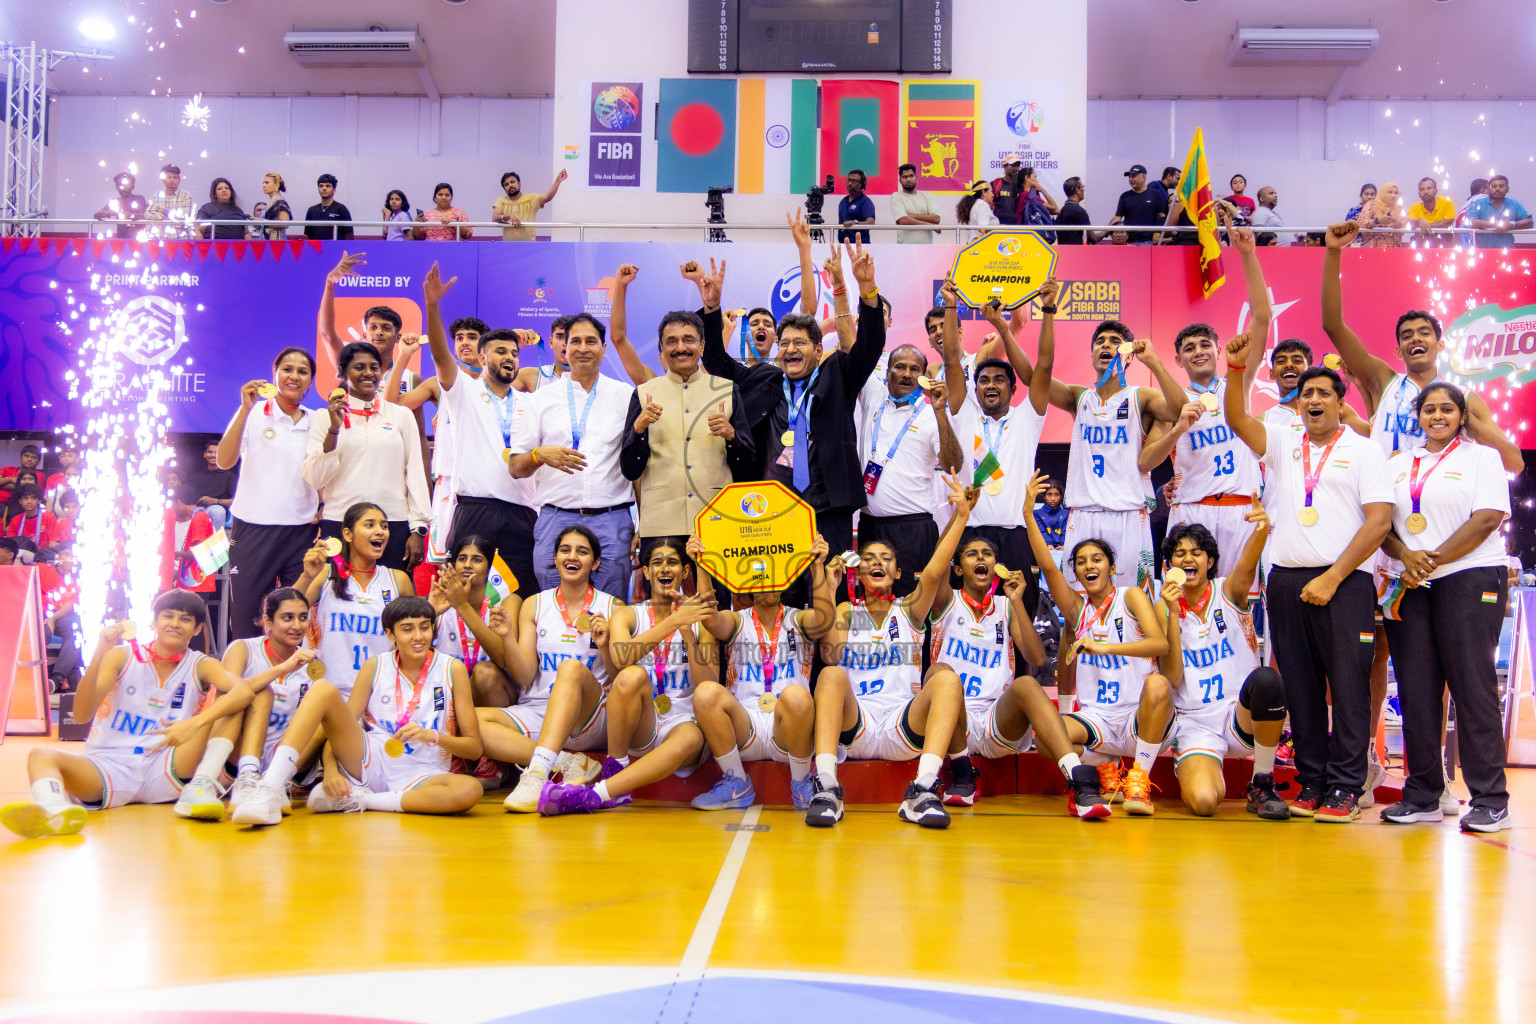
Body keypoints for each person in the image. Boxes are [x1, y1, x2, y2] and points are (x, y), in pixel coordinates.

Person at [1222, 345, 1393, 823]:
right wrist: (1237, 368)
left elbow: (1379, 523)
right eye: (1306, 394)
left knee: (1349, 687)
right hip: (1286, 582)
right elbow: (1237, 417)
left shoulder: (1365, 449)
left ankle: (1345, 786)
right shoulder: (1282, 441)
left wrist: (1334, 577)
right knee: (1301, 690)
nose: (1313, 399)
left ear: (1340, 402)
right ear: (1298, 406)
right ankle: (1313, 781)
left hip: (1346, 582)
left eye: (1323, 392)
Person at [0, 590, 307, 838]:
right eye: (168, 616)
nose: (175, 623)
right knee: (40, 756)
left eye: (185, 619)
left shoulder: (201, 663)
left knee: (233, 698)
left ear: (198, 628)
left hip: (169, 766)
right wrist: (100, 649)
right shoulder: (121, 655)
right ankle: (53, 810)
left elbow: (242, 691)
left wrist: (194, 723)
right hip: (109, 766)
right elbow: (81, 715)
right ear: (153, 623)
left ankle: (199, 786)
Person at [803, 475, 977, 830]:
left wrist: (960, 518)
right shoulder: (846, 611)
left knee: (946, 680)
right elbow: (830, 655)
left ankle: (923, 789)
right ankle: (827, 787)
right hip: (858, 724)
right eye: (868, 558)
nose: (877, 562)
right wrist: (826, 581)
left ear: (897, 572)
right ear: (858, 570)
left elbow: (933, 571)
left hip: (903, 724)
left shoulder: (909, 609)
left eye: (885, 558)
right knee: (831, 674)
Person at [1378, 383, 1512, 833]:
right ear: (1418, 415)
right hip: (1411, 584)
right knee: (1415, 691)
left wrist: (1429, 560)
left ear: (1461, 415)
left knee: (1472, 688)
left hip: (1469, 577)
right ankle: (1423, 795)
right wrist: (1405, 557)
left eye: (1447, 409)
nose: (1438, 416)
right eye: (1429, 409)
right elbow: (1380, 524)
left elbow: (1487, 519)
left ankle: (1491, 800)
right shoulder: (1397, 464)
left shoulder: (1482, 458)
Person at [701, 244, 885, 558]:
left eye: (799, 342)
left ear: (817, 347)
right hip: (772, 510)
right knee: (781, 599)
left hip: (828, 510)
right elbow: (717, 362)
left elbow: (869, 346)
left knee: (829, 593)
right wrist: (712, 308)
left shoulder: (839, 375)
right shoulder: (762, 378)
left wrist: (867, 289)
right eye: (784, 343)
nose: (789, 349)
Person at [231, 595, 484, 825]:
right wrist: (329, 772)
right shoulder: (376, 665)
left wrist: (433, 736)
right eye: (407, 629)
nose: (418, 636)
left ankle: (360, 800)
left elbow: (474, 749)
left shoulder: (452, 669)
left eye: (425, 627)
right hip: (370, 759)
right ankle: (270, 789)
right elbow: (338, 728)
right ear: (391, 634)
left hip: (423, 773)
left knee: (470, 790)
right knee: (322, 690)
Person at [929, 523, 1110, 816]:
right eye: (972, 554)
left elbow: (1038, 658)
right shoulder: (945, 600)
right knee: (940, 674)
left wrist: (1017, 601)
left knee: (1027, 684)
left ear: (995, 566)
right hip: (950, 722)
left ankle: (1078, 780)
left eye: (987, 554)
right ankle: (963, 773)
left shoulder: (1005, 606)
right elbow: (935, 570)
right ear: (959, 569)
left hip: (995, 719)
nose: (981, 559)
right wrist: (959, 516)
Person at [535, 538, 724, 816]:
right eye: (656, 563)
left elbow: (709, 684)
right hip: (641, 723)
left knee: (691, 739)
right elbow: (622, 659)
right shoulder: (627, 614)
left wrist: (687, 633)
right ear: (646, 573)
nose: (664, 569)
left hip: (683, 721)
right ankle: (616, 764)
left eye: (672, 562)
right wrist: (673, 621)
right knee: (630, 676)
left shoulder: (701, 618)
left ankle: (602, 792)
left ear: (685, 572)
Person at [1024, 472, 1173, 814]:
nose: (1088, 565)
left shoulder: (1132, 597)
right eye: (1080, 562)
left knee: (1159, 685)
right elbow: (1048, 566)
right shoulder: (1077, 610)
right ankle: (1105, 766)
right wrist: (1026, 514)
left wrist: (1105, 648)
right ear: (1075, 573)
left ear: (1111, 567)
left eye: (1096, 559)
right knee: (1046, 736)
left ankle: (1138, 781)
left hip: (1138, 717)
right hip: (1098, 720)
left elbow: (1159, 646)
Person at [1137, 226, 1273, 593]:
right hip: (1191, 510)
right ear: (1178, 359)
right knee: (1182, 604)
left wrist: (1248, 255)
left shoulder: (1238, 385)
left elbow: (1262, 319)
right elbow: (1145, 462)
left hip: (1240, 508)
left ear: (1217, 350)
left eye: (1204, 344)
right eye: (1189, 347)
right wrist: (1178, 428)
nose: (1198, 351)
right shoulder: (1170, 402)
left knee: (1240, 604)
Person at [685, 534, 836, 811]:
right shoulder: (736, 620)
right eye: (760, 576)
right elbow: (709, 618)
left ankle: (802, 783)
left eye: (773, 576)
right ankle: (736, 783)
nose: (767, 582)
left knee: (797, 695)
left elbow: (824, 621)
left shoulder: (798, 618)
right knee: (706, 692)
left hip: (789, 732)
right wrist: (702, 565)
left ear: (784, 584)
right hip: (745, 728)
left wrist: (817, 566)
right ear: (749, 587)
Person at [418, 264, 542, 599]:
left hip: (522, 511)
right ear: (482, 357)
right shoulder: (462, 391)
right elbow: (441, 355)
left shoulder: (532, 402)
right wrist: (432, 306)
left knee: (520, 595)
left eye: (514, 353)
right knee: (467, 595)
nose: (510, 358)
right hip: (475, 508)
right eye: (501, 351)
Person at [1157, 513, 1292, 820]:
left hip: (1238, 713)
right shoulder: (1162, 607)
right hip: (1194, 724)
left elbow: (1246, 564)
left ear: (1210, 560)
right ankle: (1204, 768)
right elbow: (1174, 677)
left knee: (1268, 680)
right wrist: (1173, 614)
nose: (1187, 558)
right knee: (1205, 803)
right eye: (1179, 554)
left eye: (1196, 553)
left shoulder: (1228, 591)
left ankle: (1262, 783)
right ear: (1170, 566)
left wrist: (1261, 530)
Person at [479, 525, 623, 810]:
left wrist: (605, 645)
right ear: (556, 558)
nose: (572, 556)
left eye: (582, 552)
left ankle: (537, 773)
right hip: (538, 711)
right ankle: (567, 762)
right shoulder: (535, 604)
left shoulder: (613, 607)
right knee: (469, 721)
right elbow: (524, 676)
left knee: (570, 669)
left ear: (594, 563)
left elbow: (621, 678)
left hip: (588, 718)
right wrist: (507, 636)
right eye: (565, 550)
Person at [620, 272, 757, 565]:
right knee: (664, 605)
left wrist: (732, 436)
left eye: (688, 340)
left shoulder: (726, 389)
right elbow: (630, 469)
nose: (680, 347)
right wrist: (640, 429)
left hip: (715, 520)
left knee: (716, 606)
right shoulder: (644, 394)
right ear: (662, 349)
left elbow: (748, 464)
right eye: (671, 341)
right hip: (660, 524)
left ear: (703, 346)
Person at [945, 284, 1058, 617]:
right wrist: (952, 307)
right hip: (969, 535)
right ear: (974, 388)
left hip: (1016, 537)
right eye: (983, 380)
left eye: (999, 379)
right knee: (964, 619)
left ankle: (1021, 670)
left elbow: (1046, 366)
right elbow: (952, 359)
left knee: (1019, 618)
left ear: (1012, 387)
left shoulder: (1028, 418)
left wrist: (1047, 311)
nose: (990, 385)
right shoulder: (963, 414)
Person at [1051, 323, 1186, 593]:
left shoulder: (1141, 397)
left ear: (1128, 355)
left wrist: (1154, 362)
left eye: (1115, 341)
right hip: (1085, 512)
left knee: (1134, 606)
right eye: (1100, 341)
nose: (1106, 344)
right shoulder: (1079, 397)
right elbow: (1035, 378)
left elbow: (1181, 408)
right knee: (1077, 607)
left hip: (1128, 514)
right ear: (1091, 355)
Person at [509, 313, 637, 597]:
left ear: (604, 349)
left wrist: (643, 524)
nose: (582, 348)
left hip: (612, 520)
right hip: (556, 519)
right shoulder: (541, 399)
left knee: (610, 610)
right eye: (575, 341)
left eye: (591, 341)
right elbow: (516, 467)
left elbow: (638, 465)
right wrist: (539, 455)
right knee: (552, 608)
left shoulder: (626, 396)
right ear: (564, 348)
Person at [219, 348, 321, 640]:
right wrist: (245, 409)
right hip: (253, 530)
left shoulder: (317, 420)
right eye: (287, 369)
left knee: (298, 618)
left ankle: (291, 683)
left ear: (311, 382)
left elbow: (325, 470)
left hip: (301, 532)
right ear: (274, 373)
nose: (294, 376)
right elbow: (226, 461)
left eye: (303, 372)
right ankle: (246, 682)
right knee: (247, 617)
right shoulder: (252, 415)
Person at [302, 341, 430, 572]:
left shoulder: (400, 415)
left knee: (394, 603)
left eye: (374, 367)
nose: (369, 373)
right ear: (342, 373)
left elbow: (415, 473)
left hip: (392, 523)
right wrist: (334, 429)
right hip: (340, 524)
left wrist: (418, 528)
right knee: (337, 597)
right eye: (359, 367)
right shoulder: (324, 417)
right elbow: (315, 478)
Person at [855, 346, 961, 599]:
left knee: (914, 605)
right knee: (870, 600)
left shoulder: (932, 413)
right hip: (870, 526)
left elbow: (952, 465)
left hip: (914, 529)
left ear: (924, 377)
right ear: (886, 372)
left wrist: (940, 413)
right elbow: (852, 344)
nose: (907, 374)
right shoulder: (873, 395)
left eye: (915, 369)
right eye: (900, 367)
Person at [297, 503, 416, 697]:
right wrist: (306, 576)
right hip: (326, 693)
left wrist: (432, 610)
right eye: (370, 525)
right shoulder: (326, 573)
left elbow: (413, 634)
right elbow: (286, 613)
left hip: (379, 695)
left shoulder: (398, 580)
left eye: (384, 526)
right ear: (347, 534)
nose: (380, 531)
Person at [222, 588, 319, 817]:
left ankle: (276, 782)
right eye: (287, 618)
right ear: (268, 620)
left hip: (285, 758)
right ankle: (247, 777)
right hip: (240, 751)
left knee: (325, 701)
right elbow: (227, 698)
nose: (297, 625)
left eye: (303, 617)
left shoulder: (313, 663)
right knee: (260, 692)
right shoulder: (243, 649)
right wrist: (282, 668)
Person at [429, 535, 516, 708]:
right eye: (462, 559)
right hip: (448, 690)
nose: (468, 564)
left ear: (490, 567)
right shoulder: (438, 598)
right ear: (453, 565)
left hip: (491, 693)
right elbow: (402, 653)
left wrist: (462, 606)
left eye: (477, 559)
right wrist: (430, 612)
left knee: (485, 673)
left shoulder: (506, 601)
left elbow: (502, 659)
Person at [161, 484, 217, 604]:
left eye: (173, 504)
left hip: (197, 582)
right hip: (193, 581)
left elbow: (198, 552)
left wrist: (174, 554)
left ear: (178, 501)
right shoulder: (200, 516)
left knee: (192, 619)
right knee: (194, 620)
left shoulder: (199, 517)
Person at [493, 168, 567, 241]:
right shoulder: (501, 200)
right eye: (506, 184)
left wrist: (558, 181)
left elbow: (548, 197)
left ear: (519, 183)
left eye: (512, 182)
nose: (510, 185)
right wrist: (508, 217)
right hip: (508, 247)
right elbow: (495, 218)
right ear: (504, 188)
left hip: (529, 247)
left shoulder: (531, 198)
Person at [1464, 174, 1533, 248]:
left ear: (1507, 189)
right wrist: (1495, 224)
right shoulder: (1478, 203)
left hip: (1507, 253)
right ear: (1489, 189)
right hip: (1483, 253)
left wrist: (1511, 224)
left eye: (1501, 186)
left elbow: (1529, 222)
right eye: (1494, 186)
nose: (1497, 189)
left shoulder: (1514, 204)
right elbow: (1469, 221)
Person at [1110, 164, 1168, 244]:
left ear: (1144, 176)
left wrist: (1157, 235)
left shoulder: (1155, 194)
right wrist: (1106, 231)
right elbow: (1118, 217)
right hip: (1128, 241)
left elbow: (1160, 215)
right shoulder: (1125, 196)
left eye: (1133, 176)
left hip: (1149, 241)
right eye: (1129, 177)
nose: (1131, 179)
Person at [185, 440, 236, 532]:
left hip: (216, 511)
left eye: (216, 453)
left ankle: (217, 544)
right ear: (205, 454)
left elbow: (235, 501)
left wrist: (216, 501)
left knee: (218, 511)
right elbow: (187, 498)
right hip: (196, 510)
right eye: (210, 452)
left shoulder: (229, 476)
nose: (213, 455)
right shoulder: (195, 477)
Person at [890, 163, 940, 244]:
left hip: (927, 249)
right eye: (905, 177)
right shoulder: (896, 196)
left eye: (911, 176)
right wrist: (930, 226)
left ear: (916, 178)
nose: (908, 179)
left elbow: (936, 219)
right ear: (900, 181)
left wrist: (912, 216)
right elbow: (903, 220)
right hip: (905, 248)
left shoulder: (927, 195)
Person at [93, 171, 147, 239]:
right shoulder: (114, 201)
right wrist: (103, 213)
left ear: (133, 186)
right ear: (116, 187)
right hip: (121, 242)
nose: (123, 187)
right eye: (119, 184)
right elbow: (97, 215)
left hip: (139, 241)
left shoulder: (139, 199)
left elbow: (145, 215)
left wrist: (122, 214)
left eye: (126, 184)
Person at [5, 484, 57, 552]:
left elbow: (54, 543)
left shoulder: (49, 517)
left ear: (39, 500)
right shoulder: (15, 520)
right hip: (20, 558)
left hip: (43, 557)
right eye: (25, 498)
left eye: (33, 498)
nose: (29, 501)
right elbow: (10, 546)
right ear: (20, 501)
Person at [303, 173, 354, 241]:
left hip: (336, 249)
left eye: (328, 186)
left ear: (334, 190)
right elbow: (308, 235)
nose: (324, 188)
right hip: (317, 250)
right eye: (321, 186)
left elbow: (349, 235)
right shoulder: (311, 210)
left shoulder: (341, 209)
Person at [145, 164, 193, 236]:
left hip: (180, 238)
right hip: (161, 237)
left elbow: (184, 218)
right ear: (163, 180)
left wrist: (163, 211)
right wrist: (163, 217)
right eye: (168, 177)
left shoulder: (186, 195)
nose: (172, 180)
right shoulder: (158, 195)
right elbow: (148, 214)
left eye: (175, 177)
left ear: (179, 180)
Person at [1357, 182, 1406, 248]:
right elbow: (1360, 223)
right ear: (1383, 192)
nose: (1393, 195)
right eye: (1390, 192)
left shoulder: (1399, 208)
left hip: (1394, 249)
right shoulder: (1372, 205)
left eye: (1396, 193)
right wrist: (1377, 221)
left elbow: (1405, 225)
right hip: (1373, 248)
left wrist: (1396, 221)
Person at [836, 170, 875, 243]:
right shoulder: (843, 201)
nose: (849, 183)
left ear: (861, 184)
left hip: (860, 246)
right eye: (848, 180)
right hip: (843, 245)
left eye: (853, 181)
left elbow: (870, 222)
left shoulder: (865, 202)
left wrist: (855, 223)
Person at [1054, 177, 1096, 245]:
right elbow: (1094, 239)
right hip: (1077, 253)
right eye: (1082, 187)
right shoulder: (1079, 211)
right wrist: (1109, 230)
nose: (1084, 190)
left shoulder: (1062, 211)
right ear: (1077, 190)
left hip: (1063, 252)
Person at [1033, 480, 1069, 559]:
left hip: (1065, 550)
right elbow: (1041, 531)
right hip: (1043, 550)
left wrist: (1064, 545)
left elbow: (1066, 531)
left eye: (1056, 495)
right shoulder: (1036, 513)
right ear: (1044, 496)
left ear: (1061, 496)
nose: (1053, 498)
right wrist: (1048, 544)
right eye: (1049, 495)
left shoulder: (1067, 513)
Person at [259, 172, 292, 240]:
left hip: (277, 243)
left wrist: (261, 221)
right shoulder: (273, 201)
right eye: (263, 182)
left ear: (276, 185)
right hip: (269, 241)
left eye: (267, 183)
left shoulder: (280, 201)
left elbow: (284, 223)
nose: (263, 185)